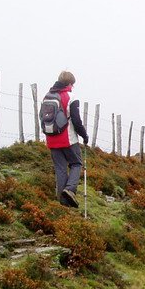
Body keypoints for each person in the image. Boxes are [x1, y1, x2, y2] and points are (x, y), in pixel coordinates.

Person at [44, 71, 88, 207]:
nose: (72, 87)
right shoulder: (71, 97)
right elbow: (76, 120)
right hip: (67, 139)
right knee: (76, 164)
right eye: (72, 84)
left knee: (60, 169)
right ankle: (69, 190)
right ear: (69, 83)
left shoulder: (48, 97)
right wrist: (84, 135)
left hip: (51, 138)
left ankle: (63, 203)